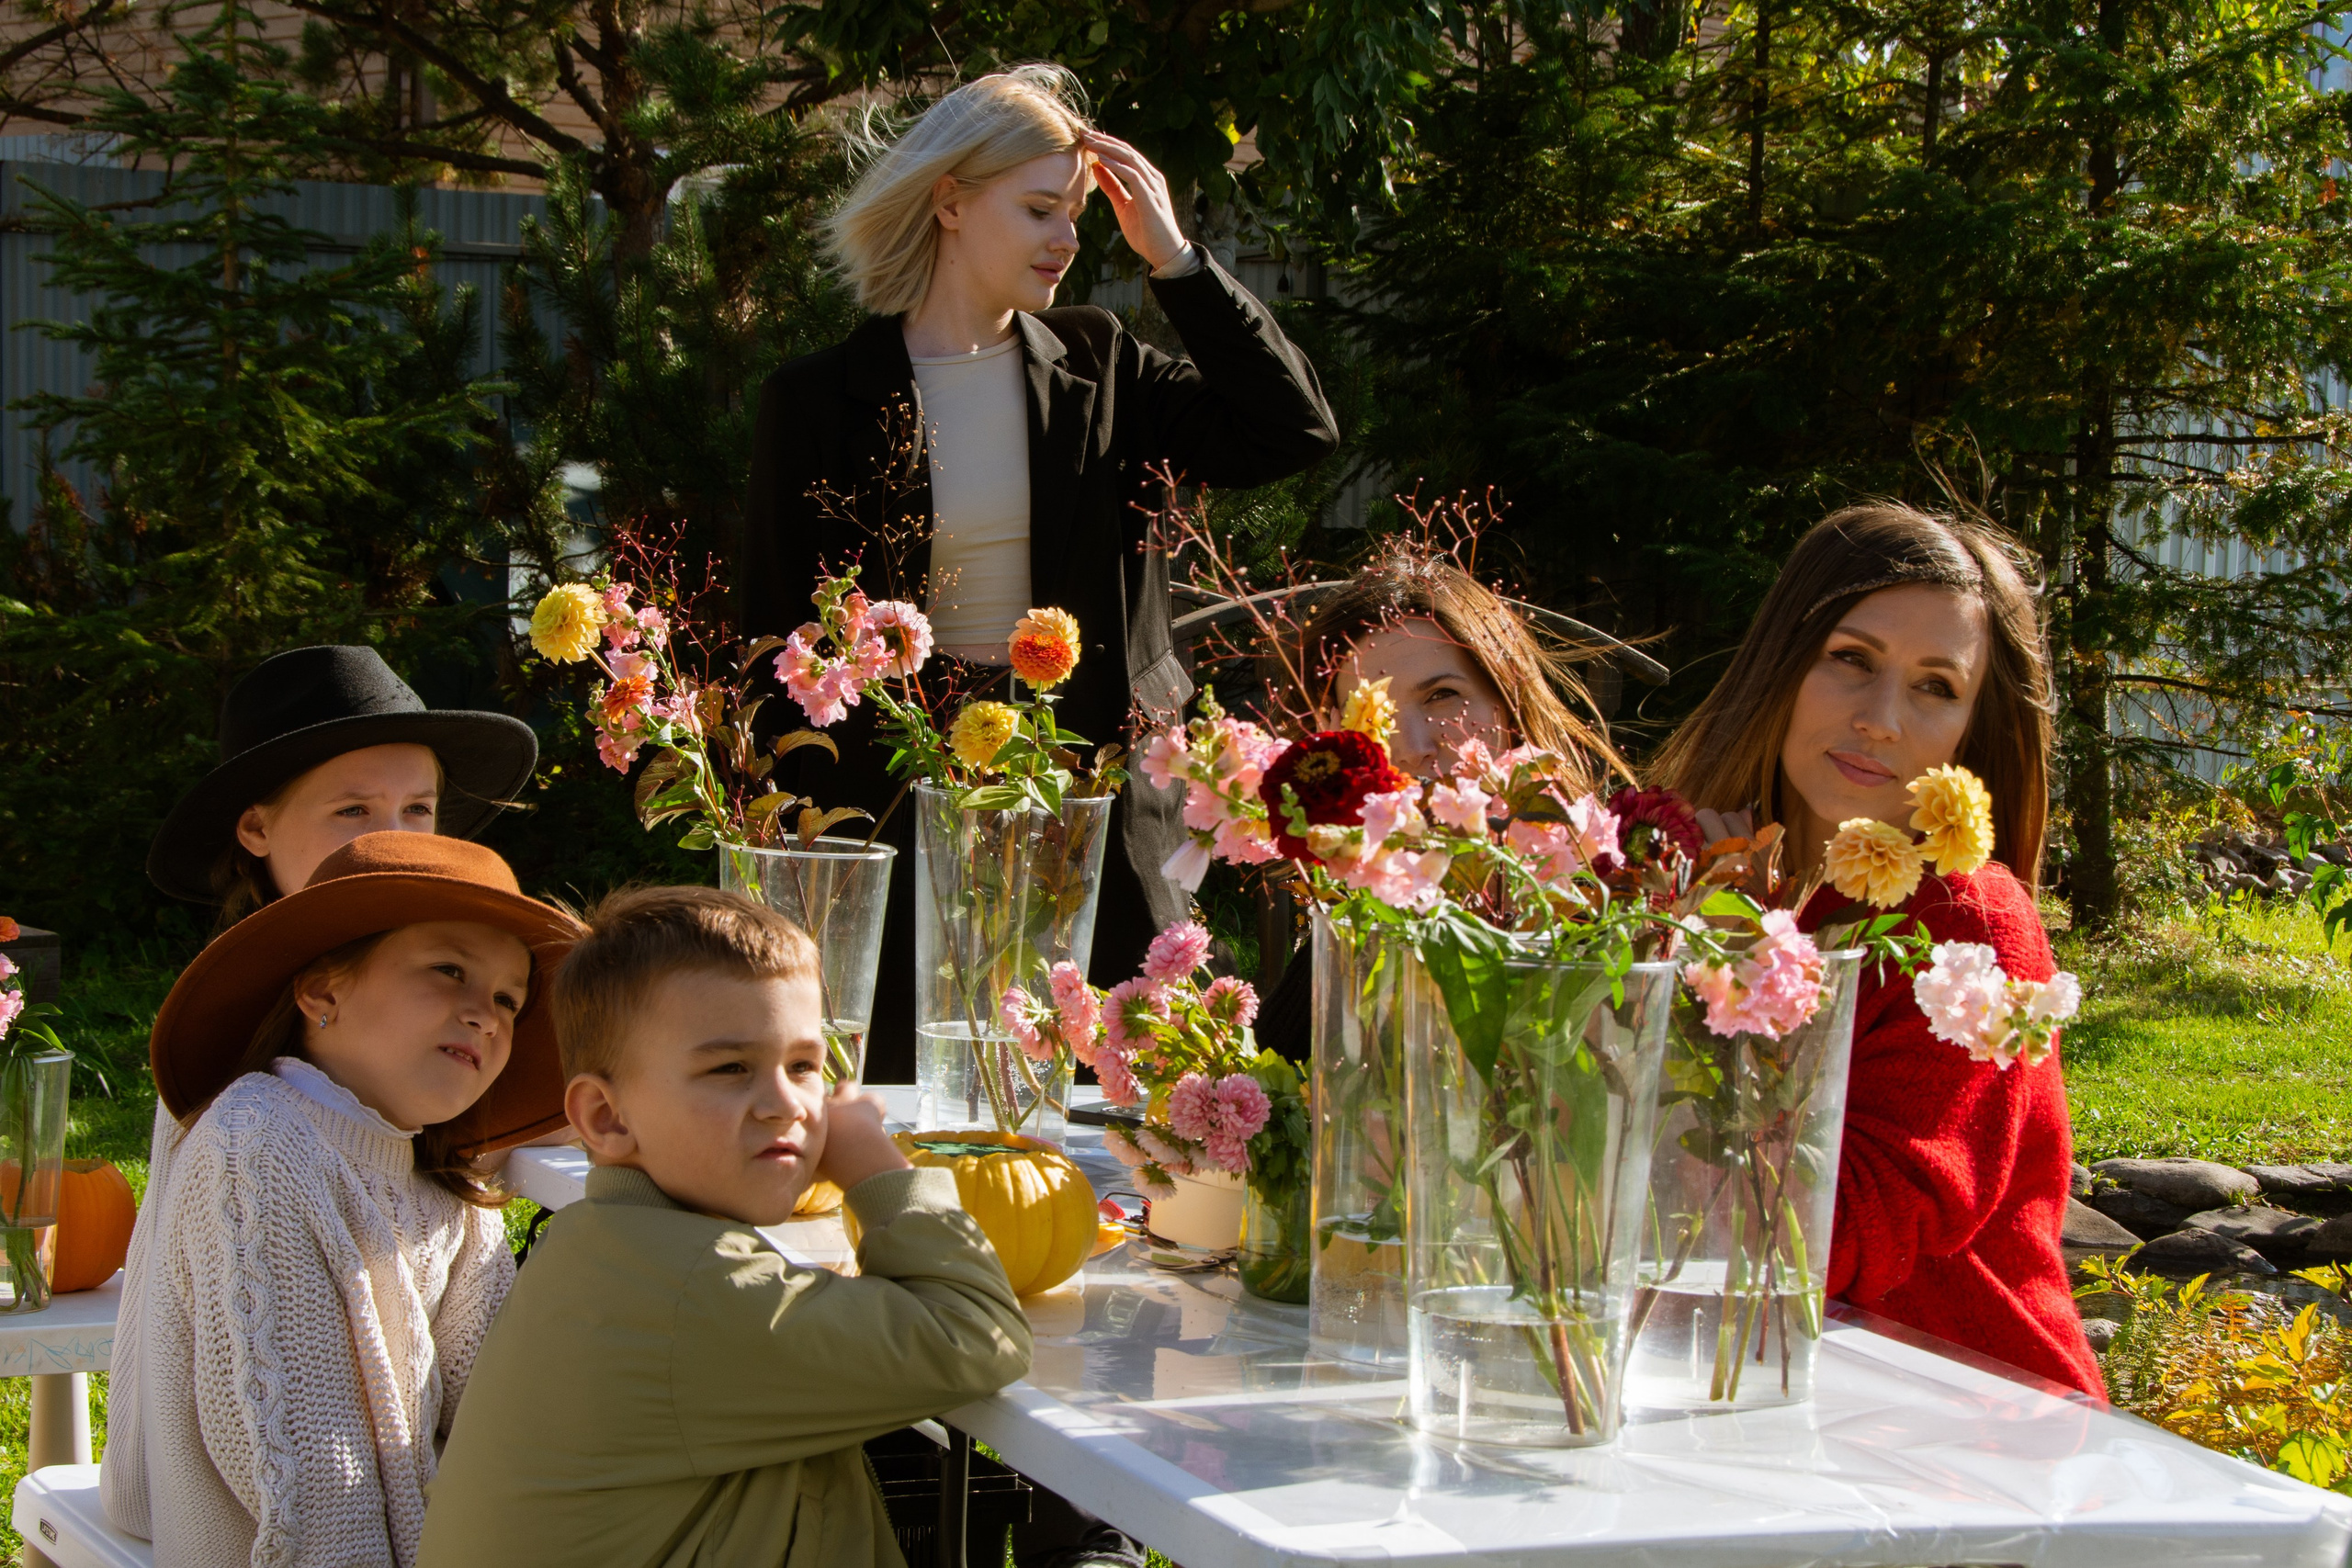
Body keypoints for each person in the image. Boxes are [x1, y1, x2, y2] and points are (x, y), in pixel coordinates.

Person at [741, 64, 1340, 1080]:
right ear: (949, 200)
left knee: (1111, 1104)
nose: (1067, 238)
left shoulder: (1100, 363)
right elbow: (773, 643)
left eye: (1077, 215)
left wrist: (1176, 259)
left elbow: (1290, 431)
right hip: (896, 803)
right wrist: (792, 855)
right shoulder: (816, 400)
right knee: (904, 1089)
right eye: (1037, 209)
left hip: (1089, 797)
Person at [415, 885, 1033, 1568]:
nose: (786, 1104)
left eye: (804, 1066)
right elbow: (979, 1331)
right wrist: (873, 1167)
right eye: (730, 1068)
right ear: (607, 1118)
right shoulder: (691, 1294)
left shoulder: (614, 1250)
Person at [1650, 502, 2103, 1399]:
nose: (1882, 717)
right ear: (1782, 663)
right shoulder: (1696, 872)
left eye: (1936, 686)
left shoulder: (1969, 924)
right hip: (1727, 1379)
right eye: (1850, 660)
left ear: (1971, 728)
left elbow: (1850, 1226)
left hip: (1961, 1424)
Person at [101, 831, 582, 1563]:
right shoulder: (259, 1143)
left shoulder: (445, 1185)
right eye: (450, 970)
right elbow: (313, 1489)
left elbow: (500, 1413)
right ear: (323, 989)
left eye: (510, 1000)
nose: (486, 1013)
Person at [1253, 547, 1633, 1059]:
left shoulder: (1603, 901)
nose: (1410, 748)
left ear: (1508, 701)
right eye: (1374, 716)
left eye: (1442, 696)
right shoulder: (1355, 912)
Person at [148, 643, 539, 929]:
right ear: (257, 828)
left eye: (417, 809)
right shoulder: (231, 1015)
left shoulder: (483, 966)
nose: (393, 840)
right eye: (352, 810)